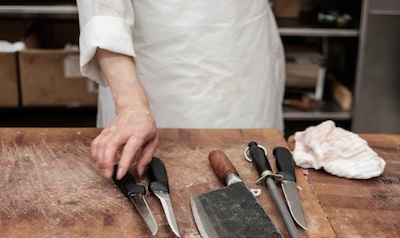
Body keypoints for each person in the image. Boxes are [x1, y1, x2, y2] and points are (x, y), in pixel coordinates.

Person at [76, 1, 286, 179]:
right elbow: (102, 13)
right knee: (155, 178)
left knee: (257, 176)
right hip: (155, 65)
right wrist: (131, 105)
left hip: (245, 48)